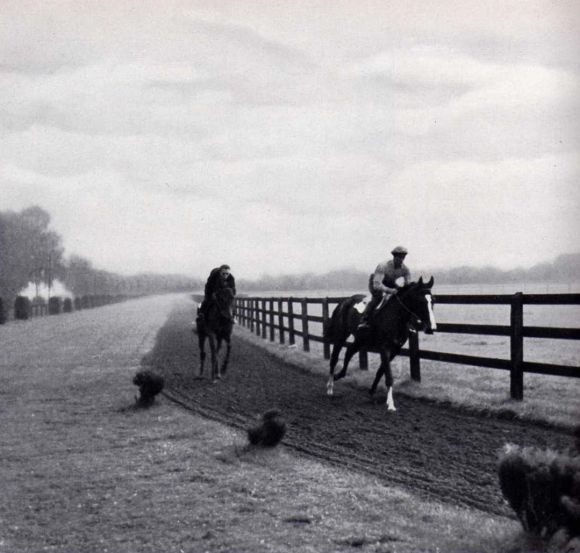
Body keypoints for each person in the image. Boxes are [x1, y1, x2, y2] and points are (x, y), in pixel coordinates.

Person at [357, 246, 411, 330]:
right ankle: (365, 320)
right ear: (394, 257)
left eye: (403, 257)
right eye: (399, 257)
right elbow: (377, 285)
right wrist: (390, 291)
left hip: (390, 283)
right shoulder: (383, 266)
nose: (401, 260)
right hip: (375, 282)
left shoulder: (405, 269)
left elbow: (408, 284)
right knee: (378, 298)